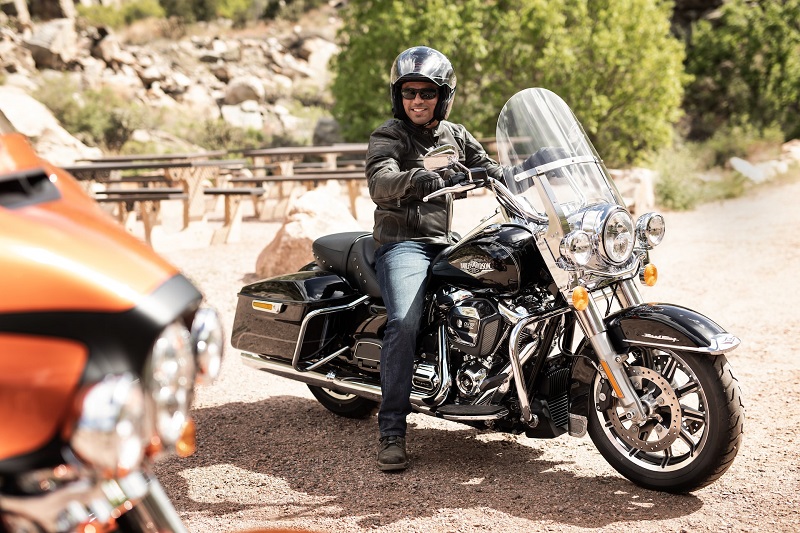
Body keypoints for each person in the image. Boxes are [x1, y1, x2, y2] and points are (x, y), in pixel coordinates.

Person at [365, 46, 505, 471]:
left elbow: (489, 164)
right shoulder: (389, 136)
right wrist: (418, 178)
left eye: (427, 93)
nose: (418, 101)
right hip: (403, 243)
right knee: (405, 322)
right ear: (399, 96)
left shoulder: (456, 135)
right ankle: (392, 430)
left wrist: (513, 170)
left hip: (445, 242)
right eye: (410, 93)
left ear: (443, 97)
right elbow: (380, 180)